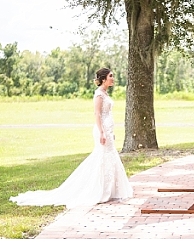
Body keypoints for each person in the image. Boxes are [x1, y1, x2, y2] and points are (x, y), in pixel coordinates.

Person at [9, 68, 133, 209]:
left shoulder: (105, 93)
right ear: (104, 79)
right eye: (111, 76)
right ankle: (98, 190)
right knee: (102, 158)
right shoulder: (98, 94)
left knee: (110, 158)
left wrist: (110, 131)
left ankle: (110, 190)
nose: (113, 78)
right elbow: (97, 114)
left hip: (108, 130)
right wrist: (102, 133)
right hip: (102, 130)